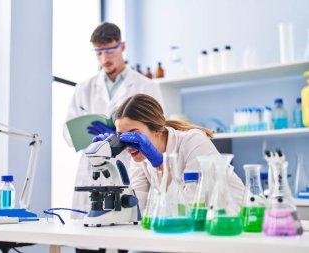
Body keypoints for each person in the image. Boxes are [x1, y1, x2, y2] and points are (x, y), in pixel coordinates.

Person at [63, 22, 163, 219]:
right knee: (87, 241)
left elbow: (158, 130)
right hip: (92, 170)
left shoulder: (147, 85)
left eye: (109, 51)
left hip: (130, 166)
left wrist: (121, 137)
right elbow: (67, 135)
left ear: (122, 46)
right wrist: (87, 133)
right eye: (98, 52)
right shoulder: (84, 88)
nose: (104, 58)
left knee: (125, 235)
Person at [94, 94, 245, 213]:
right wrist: (105, 161)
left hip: (236, 223)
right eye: (121, 135)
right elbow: (136, 206)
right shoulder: (140, 157)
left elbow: (191, 206)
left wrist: (160, 164)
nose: (128, 143)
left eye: (134, 134)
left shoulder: (193, 141)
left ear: (157, 130)